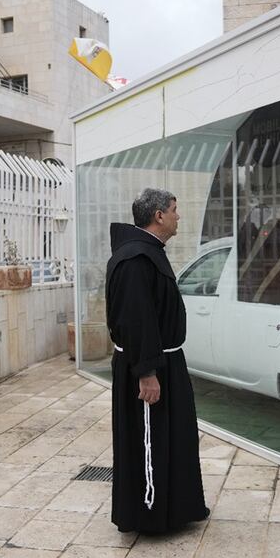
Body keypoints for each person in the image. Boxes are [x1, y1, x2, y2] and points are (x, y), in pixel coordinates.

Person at [105, 188, 210, 534]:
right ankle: (150, 515)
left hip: (164, 362)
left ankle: (175, 509)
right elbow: (136, 320)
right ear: (159, 216)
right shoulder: (136, 258)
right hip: (149, 367)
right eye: (175, 210)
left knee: (175, 437)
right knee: (151, 439)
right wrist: (147, 372)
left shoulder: (148, 252)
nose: (179, 216)